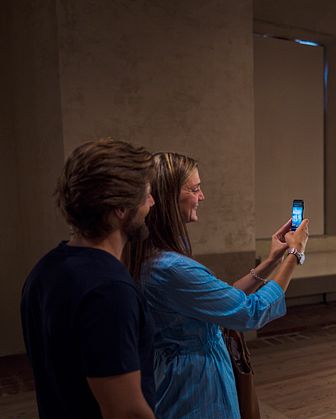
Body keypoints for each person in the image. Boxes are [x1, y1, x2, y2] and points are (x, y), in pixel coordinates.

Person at [127, 152, 309, 418]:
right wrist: (295, 256)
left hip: (175, 376)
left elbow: (221, 299)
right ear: (168, 198)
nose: (202, 197)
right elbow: (249, 312)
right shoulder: (172, 268)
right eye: (195, 189)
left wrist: (271, 260)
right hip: (195, 387)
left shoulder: (152, 256)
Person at [20, 139, 157, 419]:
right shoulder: (109, 291)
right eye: (146, 195)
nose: (152, 203)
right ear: (120, 208)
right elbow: (126, 412)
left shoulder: (46, 269)